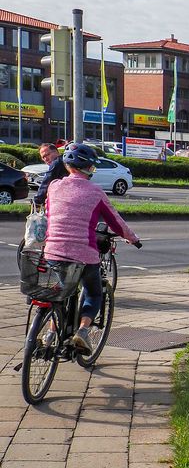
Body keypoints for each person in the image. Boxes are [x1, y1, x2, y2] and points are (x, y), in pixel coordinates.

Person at [44, 143, 141, 353]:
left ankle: (49, 333)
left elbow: (49, 214)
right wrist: (132, 238)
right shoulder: (96, 192)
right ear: (88, 168)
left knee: (62, 291)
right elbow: (115, 222)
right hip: (84, 255)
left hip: (53, 251)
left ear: (68, 166)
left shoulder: (54, 187)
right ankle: (83, 332)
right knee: (94, 293)